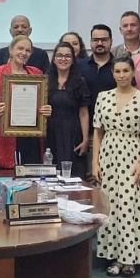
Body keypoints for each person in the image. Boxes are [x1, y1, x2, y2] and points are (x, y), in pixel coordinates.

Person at [91, 56, 140, 277]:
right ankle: (114, 257)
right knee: (110, 206)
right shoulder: (103, 97)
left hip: (132, 154)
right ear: (113, 73)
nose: (121, 75)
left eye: (126, 71)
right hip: (108, 156)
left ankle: (129, 259)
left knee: (130, 205)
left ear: (133, 72)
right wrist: (95, 162)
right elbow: (98, 132)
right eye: (117, 71)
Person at [0, 35, 52, 168]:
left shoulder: (36, 74)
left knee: (30, 178)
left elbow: (41, 103)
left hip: (30, 136)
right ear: (11, 49)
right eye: (20, 48)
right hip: (5, 137)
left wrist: (46, 109)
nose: (23, 53)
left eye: (28, 50)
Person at [79, 24, 120, 178]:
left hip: (114, 135)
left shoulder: (120, 66)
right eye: (95, 40)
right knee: (89, 179)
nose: (100, 43)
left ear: (111, 41)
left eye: (104, 39)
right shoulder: (80, 66)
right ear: (90, 42)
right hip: (87, 134)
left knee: (112, 178)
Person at [46, 42, 90, 178]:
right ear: (54, 59)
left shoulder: (80, 82)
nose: (63, 59)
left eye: (67, 56)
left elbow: (83, 113)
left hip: (73, 133)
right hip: (49, 133)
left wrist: (85, 139)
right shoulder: (45, 81)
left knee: (73, 174)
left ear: (73, 60)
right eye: (59, 55)